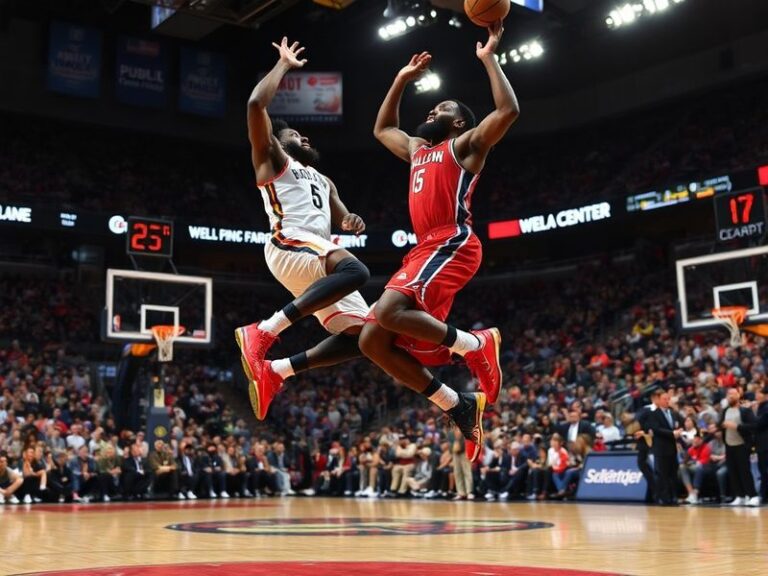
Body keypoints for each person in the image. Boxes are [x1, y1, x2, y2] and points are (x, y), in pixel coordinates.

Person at [360, 21, 520, 463]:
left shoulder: (464, 146)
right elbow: (381, 128)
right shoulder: (415, 149)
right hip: (423, 248)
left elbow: (508, 112)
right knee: (372, 341)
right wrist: (399, 81)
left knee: (390, 311)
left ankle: (476, 345)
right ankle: (457, 403)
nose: (432, 111)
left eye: (441, 109)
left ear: (459, 122)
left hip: (453, 241)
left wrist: (489, 59)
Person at [235, 37, 370, 421]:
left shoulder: (323, 179)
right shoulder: (273, 160)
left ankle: (277, 370)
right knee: (356, 271)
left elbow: (341, 214)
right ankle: (263, 331)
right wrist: (283, 65)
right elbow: (255, 105)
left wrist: (350, 220)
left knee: (366, 339)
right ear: (277, 143)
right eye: (294, 134)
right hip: (287, 243)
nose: (302, 137)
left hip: (314, 253)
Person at [720, 387, 758, 506]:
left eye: (733, 394)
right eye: (729, 394)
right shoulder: (725, 410)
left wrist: (736, 426)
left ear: (738, 395)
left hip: (742, 445)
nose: (730, 396)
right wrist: (717, 427)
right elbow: (722, 424)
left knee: (744, 471)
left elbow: (752, 426)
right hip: (729, 445)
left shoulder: (745, 410)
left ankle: (752, 495)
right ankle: (740, 496)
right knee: (733, 472)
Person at [649, 391, 684, 505]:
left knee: (673, 473)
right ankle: (663, 498)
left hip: (672, 448)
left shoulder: (673, 413)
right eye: (664, 399)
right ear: (658, 400)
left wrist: (680, 430)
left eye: (668, 399)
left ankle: (674, 497)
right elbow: (656, 429)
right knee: (662, 474)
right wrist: (672, 433)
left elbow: (680, 424)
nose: (667, 401)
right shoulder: (653, 414)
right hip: (661, 449)